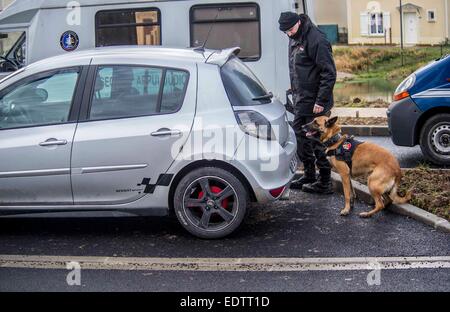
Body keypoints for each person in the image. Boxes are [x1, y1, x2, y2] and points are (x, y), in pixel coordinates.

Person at [278, 12, 337, 194]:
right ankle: (310, 174)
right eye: (285, 32)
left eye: (290, 29)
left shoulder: (316, 39)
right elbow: (298, 68)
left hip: (316, 103)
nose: (288, 34)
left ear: (298, 23)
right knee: (300, 136)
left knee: (317, 140)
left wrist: (320, 100)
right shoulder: (295, 36)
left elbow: (329, 73)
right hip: (302, 99)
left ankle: (325, 181)